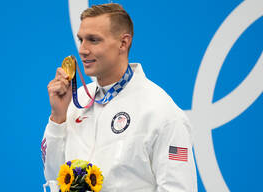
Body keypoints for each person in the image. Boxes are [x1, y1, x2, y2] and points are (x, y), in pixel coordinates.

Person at [42, 3, 197, 192]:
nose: (82, 49)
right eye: (81, 39)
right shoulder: (75, 100)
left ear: (123, 43)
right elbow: (53, 176)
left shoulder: (162, 112)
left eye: (93, 40)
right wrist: (58, 118)